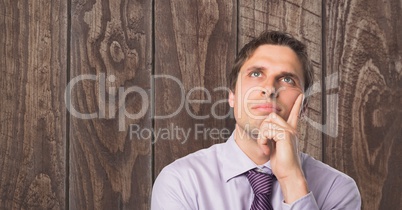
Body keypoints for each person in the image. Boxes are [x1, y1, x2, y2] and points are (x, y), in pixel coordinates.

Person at [151, 30, 361, 210]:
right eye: (256, 74)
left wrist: (292, 180)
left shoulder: (337, 189)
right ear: (232, 96)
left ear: (304, 107)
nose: (269, 88)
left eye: (287, 79)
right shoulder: (180, 182)